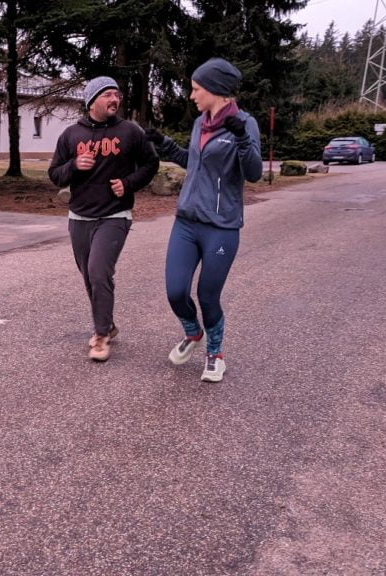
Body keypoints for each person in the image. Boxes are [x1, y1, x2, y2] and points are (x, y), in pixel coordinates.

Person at [146, 58, 262, 382]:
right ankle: (192, 332)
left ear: (216, 90)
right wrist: (164, 144)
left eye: (196, 89)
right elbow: (192, 161)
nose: (191, 95)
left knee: (208, 294)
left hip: (221, 227)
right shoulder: (200, 122)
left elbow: (253, 173)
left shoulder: (244, 122)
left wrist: (241, 138)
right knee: (175, 291)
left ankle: (215, 353)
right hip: (186, 222)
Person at [49, 76, 160, 362]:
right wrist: (74, 165)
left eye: (117, 94)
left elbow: (151, 164)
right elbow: (54, 174)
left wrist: (129, 183)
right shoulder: (71, 135)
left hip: (115, 215)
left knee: (99, 272)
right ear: (92, 101)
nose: (115, 99)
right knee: (89, 276)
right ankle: (108, 324)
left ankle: (100, 336)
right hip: (79, 216)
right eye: (108, 94)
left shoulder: (130, 131)